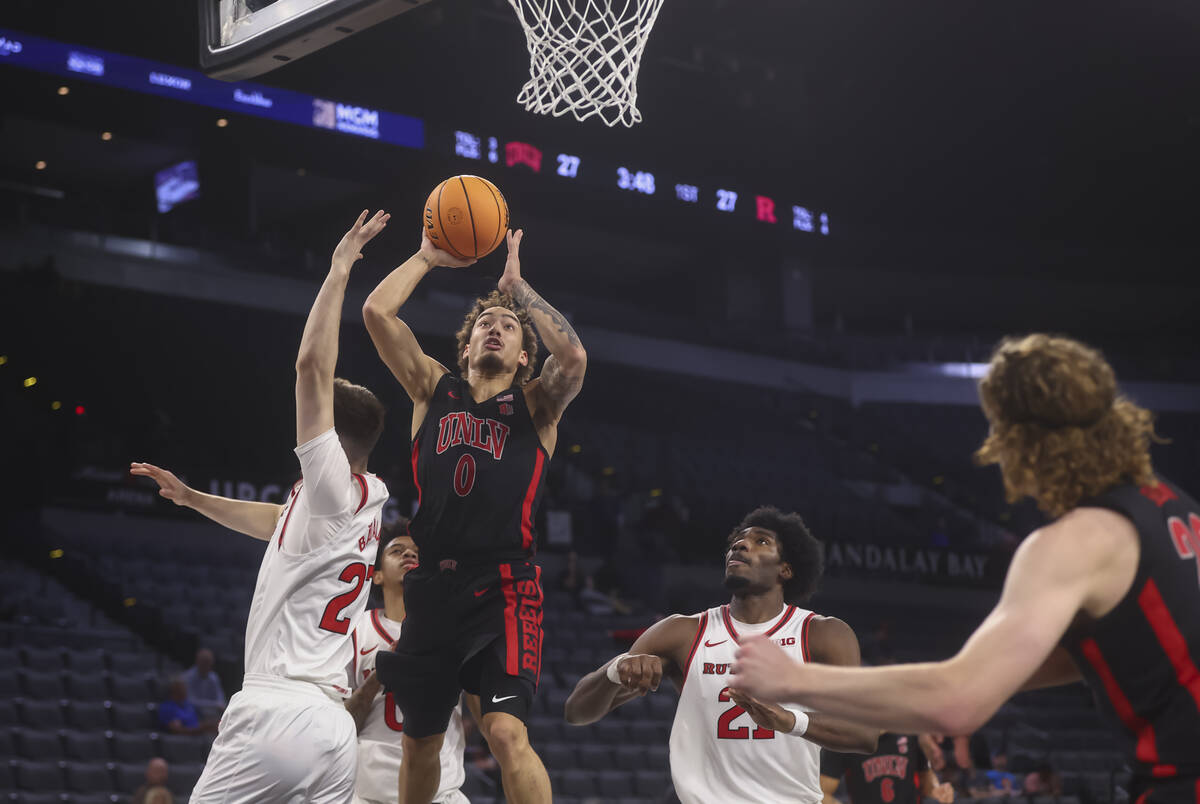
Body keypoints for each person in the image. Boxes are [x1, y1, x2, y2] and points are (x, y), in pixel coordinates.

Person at [730, 334, 1200, 804]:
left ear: (1020, 440)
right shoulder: (1177, 509)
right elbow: (1115, 654)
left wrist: (795, 678)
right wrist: (956, 676)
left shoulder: (1077, 541)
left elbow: (958, 704)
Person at [132, 209, 392, 802]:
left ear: (333, 431)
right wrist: (192, 497)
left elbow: (309, 366)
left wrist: (339, 268)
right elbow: (275, 523)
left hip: (281, 709)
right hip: (332, 730)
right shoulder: (361, 503)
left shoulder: (328, 483)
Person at [365, 227, 587, 804]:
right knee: (420, 741)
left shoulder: (537, 404)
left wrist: (519, 289)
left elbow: (574, 356)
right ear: (465, 348)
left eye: (508, 327)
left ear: (521, 356)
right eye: (486, 323)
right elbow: (376, 312)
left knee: (507, 732)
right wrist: (424, 258)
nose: (496, 327)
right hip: (434, 586)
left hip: (505, 585)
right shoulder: (431, 389)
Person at [564, 506, 878, 804]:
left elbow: (865, 735)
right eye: (737, 542)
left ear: (786, 569)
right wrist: (615, 669)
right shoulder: (682, 633)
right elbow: (577, 712)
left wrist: (788, 720)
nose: (741, 546)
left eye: (761, 542)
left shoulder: (822, 634)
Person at [345, 522, 472, 804]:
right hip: (368, 794)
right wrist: (381, 674)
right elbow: (341, 725)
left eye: (417, 553)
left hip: (440, 793)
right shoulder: (355, 631)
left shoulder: (454, 629)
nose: (410, 555)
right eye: (397, 551)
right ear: (376, 575)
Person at [821, 734, 955, 804]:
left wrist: (937, 789)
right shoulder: (848, 737)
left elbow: (925, 776)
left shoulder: (911, 730)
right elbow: (822, 793)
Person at [182, 648, 226, 718]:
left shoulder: (214, 677)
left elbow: (220, 700)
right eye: (204, 662)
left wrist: (217, 705)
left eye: (208, 663)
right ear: (197, 661)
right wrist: (214, 705)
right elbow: (190, 701)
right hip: (192, 712)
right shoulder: (187, 677)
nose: (206, 666)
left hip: (211, 713)